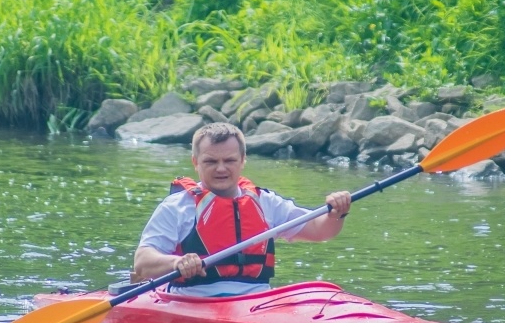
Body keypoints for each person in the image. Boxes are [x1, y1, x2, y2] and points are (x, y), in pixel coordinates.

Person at [133, 122, 352, 296]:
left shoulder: (265, 202)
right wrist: (177, 262)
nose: (221, 168)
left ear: (243, 161)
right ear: (195, 162)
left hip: (257, 301)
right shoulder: (178, 207)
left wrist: (337, 213)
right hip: (194, 298)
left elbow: (320, 231)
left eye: (229, 160)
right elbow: (143, 262)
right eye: (211, 161)